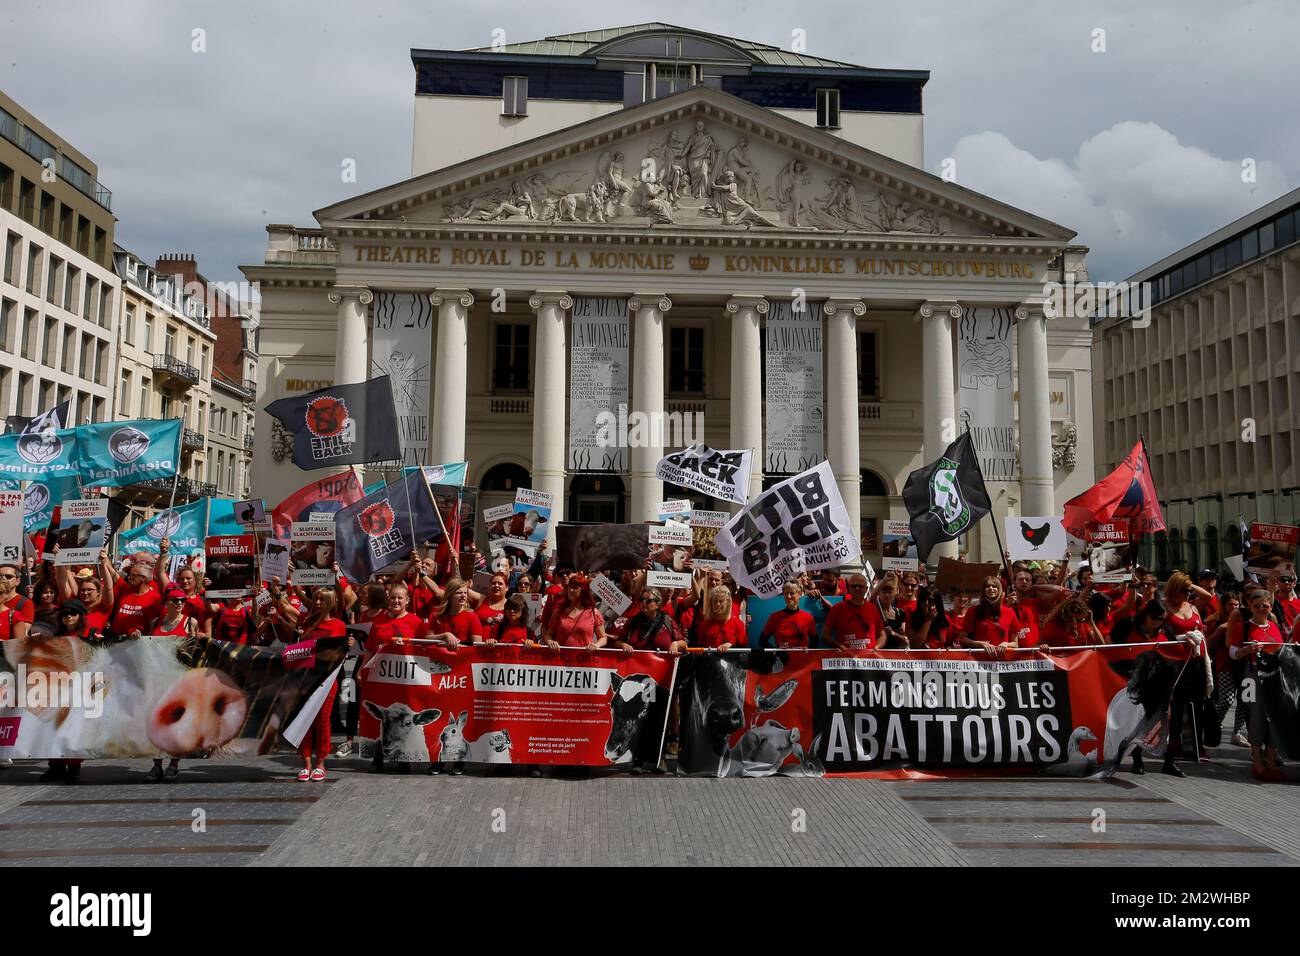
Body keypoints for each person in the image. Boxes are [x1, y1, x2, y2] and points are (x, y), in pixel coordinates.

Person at [1228, 588, 1287, 781]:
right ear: (1250, 606)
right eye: (1258, 605)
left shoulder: (1274, 626)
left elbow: (1281, 650)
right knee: (1255, 718)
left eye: (1266, 605)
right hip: (1250, 676)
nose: (1262, 608)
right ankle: (1257, 762)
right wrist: (1247, 650)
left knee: (1274, 719)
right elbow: (1233, 653)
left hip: (1273, 677)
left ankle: (1271, 761)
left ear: (1271, 607)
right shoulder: (1242, 626)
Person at [295, 590, 346, 782]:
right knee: (304, 721)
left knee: (323, 721)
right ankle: (306, 764)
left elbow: (338, 653)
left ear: (331, 602)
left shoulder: (339, 625)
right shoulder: (307, 622)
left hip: (326, 680)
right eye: (316, 598)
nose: (317, 602)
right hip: (306, 678)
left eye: (321, 599)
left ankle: (320, 764)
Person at [958, 577, 1022, 658]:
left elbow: (1015, 644)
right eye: (987, 586)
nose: (991, 588)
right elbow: (962, 638)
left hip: (1002, 661)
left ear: (999, 590)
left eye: (994, 586)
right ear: (983, 590)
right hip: (979, 661)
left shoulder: (1009, 612)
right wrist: (981, 644)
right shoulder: (972, 611)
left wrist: (1006, 644)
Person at [543, 574, 606, 651]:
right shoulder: (559, 611)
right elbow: (548, 634)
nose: (571, 590)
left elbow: (603, 637)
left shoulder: (593, 613)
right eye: (570, 586)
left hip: (584, 660)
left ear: (583, 591)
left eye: (575, 588)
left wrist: (596, 645)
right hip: (561, 659)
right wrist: (550, 641)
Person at [824, 572, 884, 651]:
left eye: (861, 586)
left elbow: (882, 635)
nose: (857, 588)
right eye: (854, 586)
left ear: (866, 589)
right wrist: (840, 646)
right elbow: (825, 635)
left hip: (869, 660)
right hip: (846, 660)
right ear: (849, 588)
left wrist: (877, 647)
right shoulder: (837, 608)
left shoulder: (872, 608)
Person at [616, 588, 686, 655]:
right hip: (635, 665)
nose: (644, 603)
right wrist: (623, 645)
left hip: (660, 665)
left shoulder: (668, 620)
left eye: (648, 600)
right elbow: (618, 642)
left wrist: (676, 644)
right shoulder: (632, 621)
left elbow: (684, 644)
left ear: (658, 604)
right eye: (642, 599)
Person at [427, 578, 483, 649]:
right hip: (439, 658)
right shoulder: (438, 615)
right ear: (450, 595)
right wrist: (445, 635)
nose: (463, 596)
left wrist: (456, 646)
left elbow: (478, 646)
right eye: (459, 593)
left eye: (465, 593)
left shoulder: (472, 616)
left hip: (461, 658)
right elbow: (427, 639)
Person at [760, 581, 817, 649]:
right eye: (786, 593)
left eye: (792, 593)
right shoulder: (775, 617)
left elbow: (815, 642)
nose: (788, 596)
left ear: (800, 594)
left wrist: (807, 652)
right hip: (782, 659)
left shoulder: (808, 617)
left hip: (802, 658)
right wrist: (777, 653)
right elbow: (762, 641)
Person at [685, 585, 746, 650]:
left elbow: (743, 649)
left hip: (731, 659)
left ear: (728, 602)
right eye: (715, 601)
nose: (718, 604)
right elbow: (700, 647)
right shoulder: (704, 624)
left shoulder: (738, 624)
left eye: (721, 601)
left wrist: (730, 645)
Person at [1038, 597, 1105, 649]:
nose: (1081, 622)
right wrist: (1043, 647)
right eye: (1078, 620)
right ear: (1067, 617)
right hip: (1062, 663)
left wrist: (1092, 623)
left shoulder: (1083, 623)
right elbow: (1038, 645)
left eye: (1082, 619)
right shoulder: (1052, 626)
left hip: (1080, 663)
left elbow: (1102, 644)